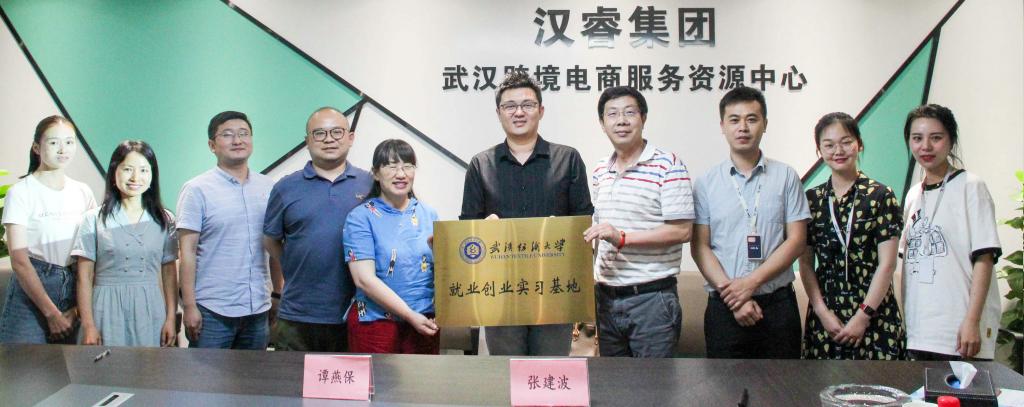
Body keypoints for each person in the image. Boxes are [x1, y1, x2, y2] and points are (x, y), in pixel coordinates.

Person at [460, 72, 594, 356]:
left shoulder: (568, 159)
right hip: (499, 291)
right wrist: (481, 229)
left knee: (549, 371)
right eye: (510, 106)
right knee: (506, 372)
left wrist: (565, 230)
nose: (518, 112)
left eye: (527, 105)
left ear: (541, 110)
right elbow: (467, 230)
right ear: (498, 113)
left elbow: (584, 224)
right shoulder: (481, 164)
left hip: (555, 290)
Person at [691, 86, 810, 359]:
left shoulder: (786, 176)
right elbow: (699, 247)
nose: (743, 127)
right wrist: (734, 298)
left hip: (777, 307)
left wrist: (750, 284)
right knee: (723, 385)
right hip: (725, 308)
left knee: (783, 385)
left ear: (765, 124)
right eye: (734, 120)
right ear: (722, 126)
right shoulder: (706, 183)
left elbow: (796, 240)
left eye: (752, 119)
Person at [583, 86, 694, 358]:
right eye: (612, 114)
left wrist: (623, 238)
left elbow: (682, 231)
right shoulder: (600, 170)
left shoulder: (668, 165)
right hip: (605, 300)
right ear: (602, 124)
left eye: (629, 113)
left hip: (651, 300)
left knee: (654, 384)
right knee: (613, 383)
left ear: (643, 118)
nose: (621, 121)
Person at [263, 107, 372, 352]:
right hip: (298, 314)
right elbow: (270, 240)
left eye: (337, 132)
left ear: (350, 138)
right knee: (291, 377)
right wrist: (293, 263)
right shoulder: (285, 187)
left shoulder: (370, 184)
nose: (329, 139)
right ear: (307, 141)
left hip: (356, 312)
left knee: (349, 377)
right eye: (320, 133)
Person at [799, 112, 906, 360]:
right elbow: (805, 264)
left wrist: (863, 316)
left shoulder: (881, 195)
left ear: (859, 144)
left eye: (846, 142)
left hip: (875, 315)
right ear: (819, 151)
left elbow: (887, 264)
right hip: (827, 317)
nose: (838, 150)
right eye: (829, 145)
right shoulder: (811, 199)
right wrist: (822, 312)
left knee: (880, 383)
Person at [900, 104, 1002, 361]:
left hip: (960, 334)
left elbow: (984, 258)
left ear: (951, 140)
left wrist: (972, 321)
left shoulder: (971, 186)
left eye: (936, 138)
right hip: (920, 331)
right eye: (917, 138)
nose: (926, 146)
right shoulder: (914, 195)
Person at [177, 111, 277, 349]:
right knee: (204, 374)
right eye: (228, 134)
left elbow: (275, 245)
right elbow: (187, 251)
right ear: (212, 145)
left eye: (244, 133)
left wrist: (277, 295)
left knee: (255, 373)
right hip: (212, 310)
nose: (238, 140)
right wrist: (189, 306)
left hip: (258, 308)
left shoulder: (269, 187)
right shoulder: (197, 189)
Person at [0, 116, 96, 344]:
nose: (63, 149)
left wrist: (77, 310)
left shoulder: (82, 192)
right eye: (54, 142)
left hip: (73, 287)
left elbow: (92, 252)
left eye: (69, 142)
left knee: (65, 366)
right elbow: (19, 261)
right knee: (22, 363)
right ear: (36, 147)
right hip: (32, 291)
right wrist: (51, 314)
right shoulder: (21, 192)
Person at [72, 140, 178, 347]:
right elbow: (84, 277)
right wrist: (89, 325)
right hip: (105, 307)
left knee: (149, 366)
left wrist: (171, 318)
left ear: (153, 175)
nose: (135, 177)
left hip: (150, 307)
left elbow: (169, 273)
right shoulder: (93, 219)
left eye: (144, 170)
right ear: (114, 172)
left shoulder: (165, 220)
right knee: (105, 365)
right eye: (128, 169)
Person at [343, 139, 440, 354]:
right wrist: (409, 315)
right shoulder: (360, 217)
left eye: (408, 166)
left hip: (425, 320)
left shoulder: (429, 214)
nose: (401, 174)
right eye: (392, 166)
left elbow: (442, 272)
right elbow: (364, 280)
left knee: (423, 378)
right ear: (376, 174)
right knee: (378, 377)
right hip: (376, 323)